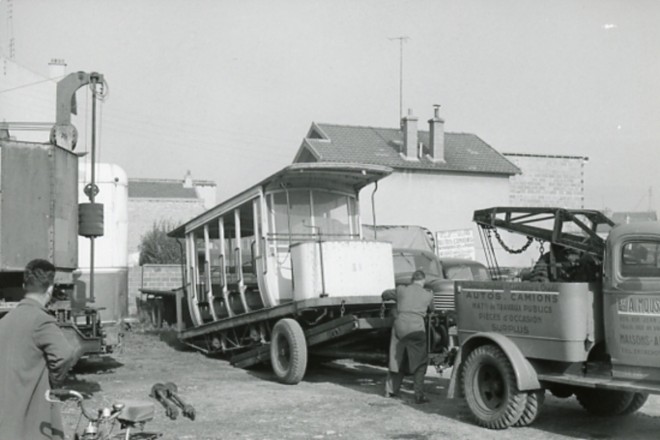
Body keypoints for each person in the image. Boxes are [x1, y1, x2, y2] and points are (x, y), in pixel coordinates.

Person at [0, 259, 80, 440]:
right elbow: (65, 355)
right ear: (50, 289)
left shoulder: (4, 321)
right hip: (33, 423)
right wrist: (55, 381)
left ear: (23, 286)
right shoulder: (41, 320)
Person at [382, 270, 434, 404]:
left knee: (396, 358)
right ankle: (419, 395)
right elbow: (432, 310)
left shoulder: (401, 290)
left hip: (400, 326)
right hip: (417, 329)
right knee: (420, 361)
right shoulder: (428, 294)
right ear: (423, 281)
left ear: (412, 280)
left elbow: (385, 294)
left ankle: (390, 390)